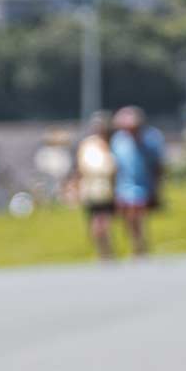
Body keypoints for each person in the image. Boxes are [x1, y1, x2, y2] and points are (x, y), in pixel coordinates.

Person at [111, 106, 166, 257]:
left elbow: (158, 165)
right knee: (128, 217)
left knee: (137, 214)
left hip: (143, 184)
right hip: (123, 185)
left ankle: (140, 246)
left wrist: (157, 187)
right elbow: (116, 166)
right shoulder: (118, 140)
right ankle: (136, 243)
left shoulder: (151, 138)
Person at [73, 111, 118, 260]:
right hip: (94, 188)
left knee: (104, 220)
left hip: (106, 188)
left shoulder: (112, 143)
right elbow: (81, 169)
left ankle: (107, 250)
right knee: (97, 220)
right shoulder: (88, 145)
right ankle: (103, 251)